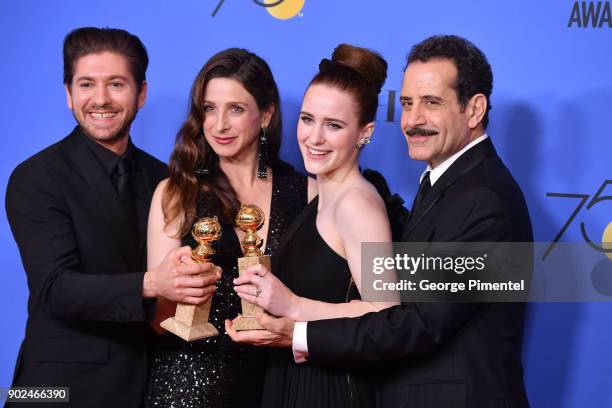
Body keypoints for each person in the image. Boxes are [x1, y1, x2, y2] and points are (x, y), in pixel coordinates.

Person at [230, 35, 534, 408]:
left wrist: (297, 326)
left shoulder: (484, 199)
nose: (413, 119)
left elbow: (417, 322)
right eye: (407, 103)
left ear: (474, 110)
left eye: (431, 103)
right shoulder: (443, 184)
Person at [5, 27, 218, 407]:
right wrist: (153, 283)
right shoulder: (35, 177)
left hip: (147, 383)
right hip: (51, 389)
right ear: (69, 94)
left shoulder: (164, 181)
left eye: (117, 84)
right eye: (86, 84)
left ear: (142, 94)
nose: (100, 99)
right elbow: (55, 289)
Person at [227, 44, 401, 407]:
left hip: (331, 389)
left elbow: (387, 313)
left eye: (334, 125)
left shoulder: (357, 203)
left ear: (364, 132)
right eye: (307, 119)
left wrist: (292, 305)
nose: (314, 137)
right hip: (296, 378)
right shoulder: (321, 194)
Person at [145, 48, 316, 407]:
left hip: (281, 384)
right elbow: (159, 320)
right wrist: (180, 288)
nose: (218, 125)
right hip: (189, 388)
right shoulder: (177, 193)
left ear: (266, 114)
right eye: (209, 108)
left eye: (235, 109)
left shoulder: (307, 192)